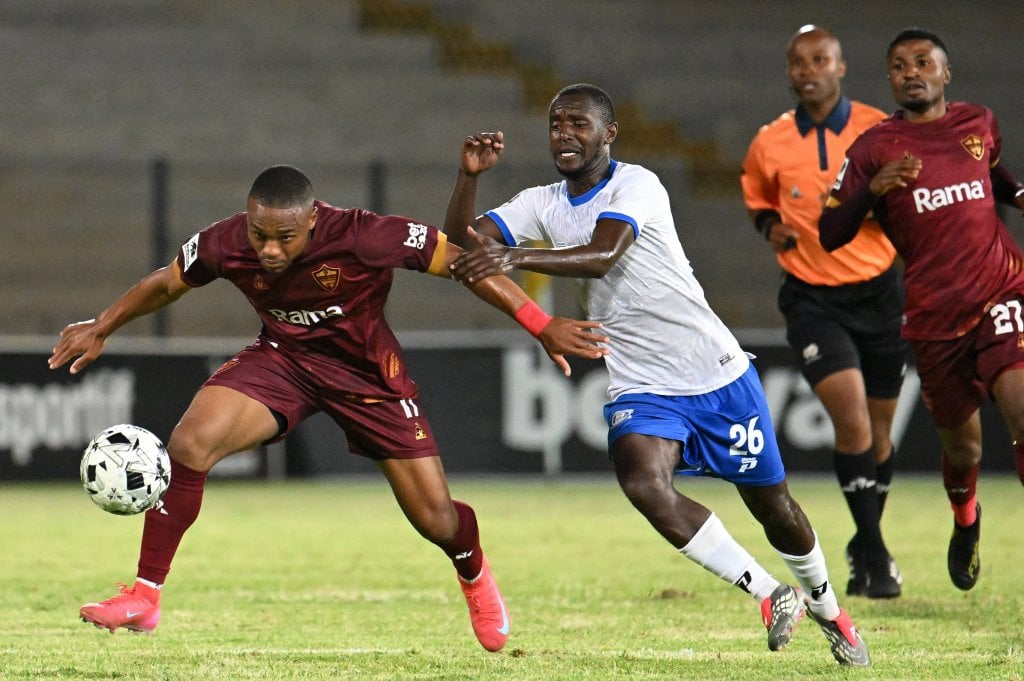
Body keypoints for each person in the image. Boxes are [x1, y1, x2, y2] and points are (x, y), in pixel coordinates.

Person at [48, 164, 609, 652]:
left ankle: (475, 574)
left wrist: (541, 324)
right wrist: (102, 326)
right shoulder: (226, 242)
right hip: (284, 362)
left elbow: (460, 261)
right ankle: (145, 596)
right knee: (190, 444)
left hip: (369, 378)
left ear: (313, 220)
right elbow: (169, 282)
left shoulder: (364, 236)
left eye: (283, 238)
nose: (267, 249)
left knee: (436, 520)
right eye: (259, 234)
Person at [444, 83, 870, 666]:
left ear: (608, 133)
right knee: (644, 483)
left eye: (578, 123)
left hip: (713, 372)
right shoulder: (541, 201)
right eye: (555, 125)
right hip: (639, 382)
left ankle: (830, 610)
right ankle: (770, 593)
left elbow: (602, 253)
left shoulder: (637, 184)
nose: (564, 133)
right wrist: (469, 178)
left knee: (776, 510)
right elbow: (459, 247)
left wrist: (515, 257)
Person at [820, 28, 1024, 592]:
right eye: (899, 65)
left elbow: (992, 174)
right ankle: (966, 520)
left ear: (945, 73)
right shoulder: (873, 149)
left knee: (1021, 410)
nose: (912, 72)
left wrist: (1020, 195)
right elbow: (830, 231)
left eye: (923, 62)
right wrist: (872, 191)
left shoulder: (977, 122)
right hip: (934, 318)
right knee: (964, 450)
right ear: (889, 78)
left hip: (1002, 291)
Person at [741, 25, 907, 599]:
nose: (808, 70)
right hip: (813, 297)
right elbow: (758, 197)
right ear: (789, 72)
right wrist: (772, 227)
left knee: (880, 435)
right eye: (798, 62)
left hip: (882, 291)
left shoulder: (878, 129)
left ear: (840, 67)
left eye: (820, 60)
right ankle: (877, 553)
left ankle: (865, 545)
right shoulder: (770, 141)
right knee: (855, 420)